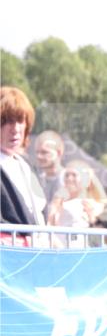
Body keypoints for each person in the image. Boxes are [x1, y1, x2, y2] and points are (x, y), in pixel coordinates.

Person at [1, 87, 47, 240]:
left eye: (20, 121)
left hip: (38, 253)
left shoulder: (27, 165)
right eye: (6, 121)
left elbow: (41, 212)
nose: (15, 129)